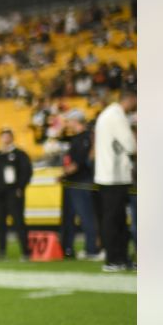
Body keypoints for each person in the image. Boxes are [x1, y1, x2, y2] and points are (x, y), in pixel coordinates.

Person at [94, 89, 136, 272]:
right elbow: (130, 145)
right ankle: (115, 259)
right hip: (114, 176)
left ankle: (118, 258)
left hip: (108, 175)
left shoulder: (109, 114)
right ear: (131, 99)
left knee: (113, 219)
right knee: (115, 220)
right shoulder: (116, 116)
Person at [0, 128, 33, 261]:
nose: (5, 139)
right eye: (3, 136)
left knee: (18, 222)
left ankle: (25, 251)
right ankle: (1, 251)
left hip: (13, 193)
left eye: (7, 136)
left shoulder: (20, 155)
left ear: (12, 138)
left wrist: (20, 187)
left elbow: (26, 171)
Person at [59, 110, 100, 259]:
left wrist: (64, 173)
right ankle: (67, 249)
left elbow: (80, 162)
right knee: (68, 218)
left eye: (69, 120)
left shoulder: (86, 137)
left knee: (86, 216)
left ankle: (92, 249)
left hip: (81, 183)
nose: (67, 123)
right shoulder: (75, 138)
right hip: (72, 182)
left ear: (76, 120)